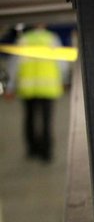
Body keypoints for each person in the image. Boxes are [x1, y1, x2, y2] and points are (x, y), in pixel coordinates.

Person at [4, 24, 67, 162]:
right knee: (46, 120)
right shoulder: (51, 39)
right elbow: (62, 62)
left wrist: (9, 88)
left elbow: (13, 65)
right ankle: (47, 152)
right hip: (47, 87)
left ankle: (32, 150)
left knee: (30, 119)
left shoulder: (24, 40)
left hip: (28, 87)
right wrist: (64, 80)